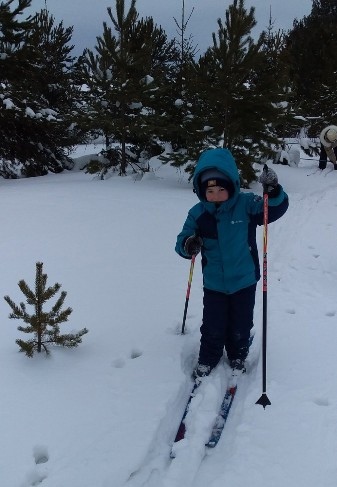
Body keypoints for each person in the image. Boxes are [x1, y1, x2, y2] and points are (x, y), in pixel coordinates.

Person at [175, 148, 289, 381]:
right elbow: (181, 241)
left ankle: (238, 354)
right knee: (212, 324)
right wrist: (189, 244)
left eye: (221, 190)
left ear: (232, 187)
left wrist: (273, 190)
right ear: (201, 191)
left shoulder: (246, 204)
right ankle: (208, 357)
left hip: (244, 280)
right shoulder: (197, 214)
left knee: (241, 322)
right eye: (210, 191)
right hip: (215, 283)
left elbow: (274, 208)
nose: (215, 194)